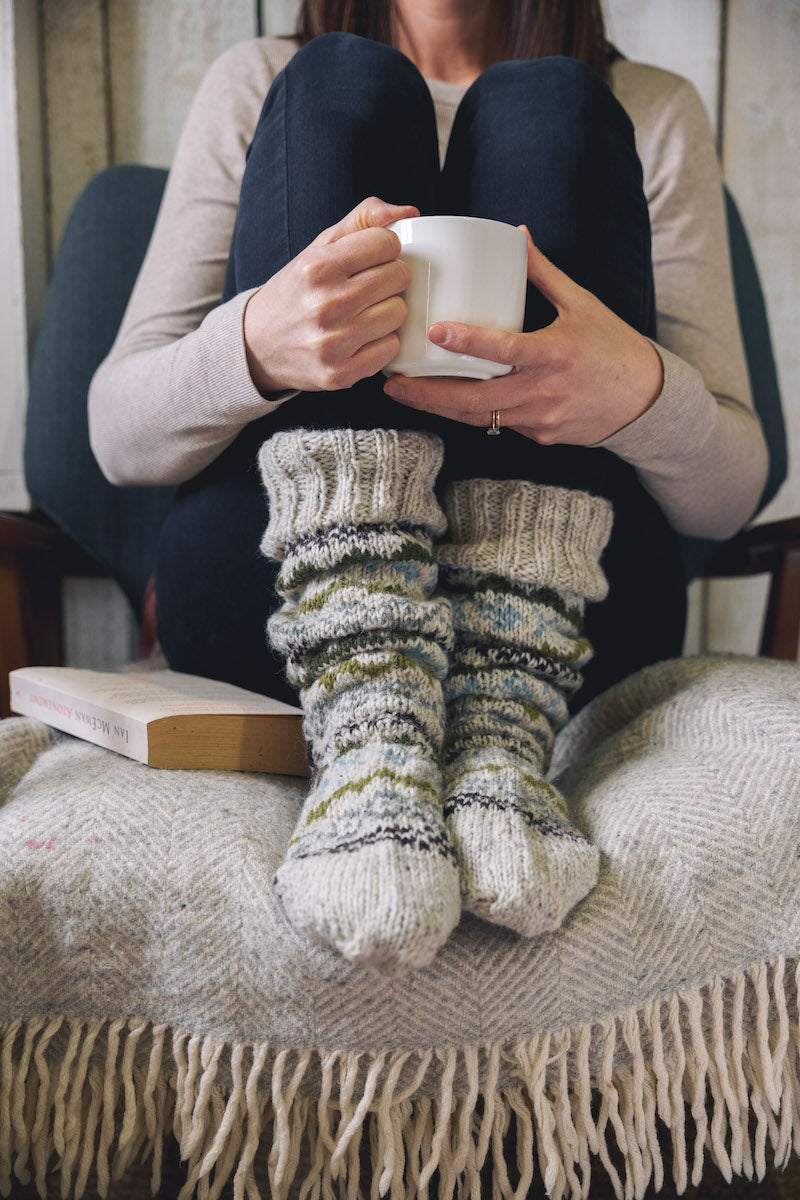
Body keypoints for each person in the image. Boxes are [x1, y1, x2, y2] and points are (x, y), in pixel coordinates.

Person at [88, 0, 768, 974]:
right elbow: (117, 435)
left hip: (564, 626)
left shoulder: (648, 108)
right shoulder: (259, 80)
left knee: (551, 105)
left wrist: (636, 394)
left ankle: (497, 725)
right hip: (294, 599)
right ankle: (371, 721)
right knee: (337, 81)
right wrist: (256, 343)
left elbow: (726, 495)